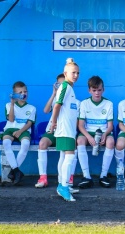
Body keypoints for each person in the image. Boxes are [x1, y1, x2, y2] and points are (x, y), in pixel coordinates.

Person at [35, 74, 78, 192]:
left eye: (63, 84)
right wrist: (54, 93)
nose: (61, 86)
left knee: (65, 154)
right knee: (42, 143)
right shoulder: (56, 99)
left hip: (65, 131)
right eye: (59, 84)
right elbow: (46, 110)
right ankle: (43, 178)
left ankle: (66, 181)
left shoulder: (73, 100)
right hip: (52, 131)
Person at [49, 58, 81, 202]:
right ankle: (63, 187)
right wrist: (54, 122)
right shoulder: (65, 87)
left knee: (64, 157)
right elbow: (57, 105)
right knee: (69, 157)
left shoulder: (70, 88)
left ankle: (64, 185)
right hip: (64, 128)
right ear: (65, 73)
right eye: (73, 72)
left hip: (68, 129)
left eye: (78, 73)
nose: (76, 75)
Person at [76, 76, 115, 188]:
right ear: (89, 90)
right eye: (94, 90)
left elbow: (110, 126)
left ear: (103, 90)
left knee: (111, 142)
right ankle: (87, 176)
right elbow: (81, 125)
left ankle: (103, 176)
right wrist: (89, 137)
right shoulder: (84, 103)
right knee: (80, 140)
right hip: (88, 132)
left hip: (103, 131)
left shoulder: (109, 104)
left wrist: (105, 134)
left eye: (99, 90)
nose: (97, 93)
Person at [1, 81, 36, 185]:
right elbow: (11, 120)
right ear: (15, 94)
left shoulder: (32, 108)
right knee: (6, 143)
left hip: (24, 130)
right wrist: (12, 103)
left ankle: (13, 171)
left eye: (25, 91)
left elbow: (29, 123)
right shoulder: (8, 105)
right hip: (10, 129)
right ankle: (16, 171)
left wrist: (20, 131)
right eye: (20, 92)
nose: (23, 94)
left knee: (25, 144)